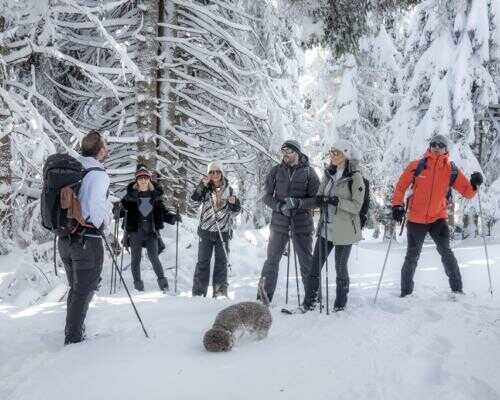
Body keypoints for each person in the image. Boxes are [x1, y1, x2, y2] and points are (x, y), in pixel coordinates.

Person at [392, 134, 483, 297]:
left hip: (438, 218)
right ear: (429, 146)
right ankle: (405, 293)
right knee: (412, 256)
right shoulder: (417, 166)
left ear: (445, 149)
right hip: (416, 219)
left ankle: (457, 289)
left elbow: (467, 192)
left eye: (440, 145)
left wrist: (474, 184)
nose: (436, 147)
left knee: (446, 252)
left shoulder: (451, 170)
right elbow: (400, 187)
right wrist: (397, 205)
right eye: (433, 144)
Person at [58, 131, 112, 345]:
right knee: (84, 289)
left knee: (77, 288)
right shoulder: (98, 173)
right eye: (105, 146)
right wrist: (107, 218)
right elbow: (94, 212)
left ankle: (74, 331)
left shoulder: (72, 167)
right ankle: (73, 340)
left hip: (65, 239)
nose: (106, 149)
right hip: (87, 241)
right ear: (100, 150)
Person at [302, 140, 365, 312]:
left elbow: (356, 206)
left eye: (336, 152)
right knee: (314, 267)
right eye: (331, 152)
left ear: (345, 155)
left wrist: (337, 201)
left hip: (344, 230)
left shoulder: (355, 177)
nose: (332, 155)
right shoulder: (329, 173)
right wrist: (319, 200)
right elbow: (320, 195)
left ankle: (340, 304)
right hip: (325, 229)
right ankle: (309, 302)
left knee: (340, 268)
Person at [259, 139, 320, 302]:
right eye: (283, 152)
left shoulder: (309, 173)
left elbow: (317, 200)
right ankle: (263, 297)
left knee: (306, 262)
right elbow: (266, 197)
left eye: (289, 152)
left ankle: (312, 299)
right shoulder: (275, 171)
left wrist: (299, 203)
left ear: (297, 153)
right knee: (271, 260)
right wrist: (279, 206)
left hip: (302, 224)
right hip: (279, 223)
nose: (285, 155)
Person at [119, 165, 180, 292]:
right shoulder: (130, 197)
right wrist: (117, 210)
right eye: (140, 178)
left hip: (151, 232)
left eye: (145, 177)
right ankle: (138, 288)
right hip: (135, 232)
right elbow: (121, 211)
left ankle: (164, 286)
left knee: (154, 258)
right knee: (136, 259)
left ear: (149, 179)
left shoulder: (154, 196)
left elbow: (162, 213)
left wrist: (173, 218)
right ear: (136, 180)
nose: (143, 180)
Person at [191, 161, 241, 297]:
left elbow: (236, 211)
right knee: (202, 262)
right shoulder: (205, 187)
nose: (214, 174)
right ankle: (199, 293)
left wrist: (234, 204)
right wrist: (202, 186)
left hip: (223, 232)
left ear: (222, 173)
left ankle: (219, 292)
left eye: (217, 171)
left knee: (221, 263)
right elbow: (194, 200)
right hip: (206, 231)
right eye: (211, 172)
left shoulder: (230, 189)